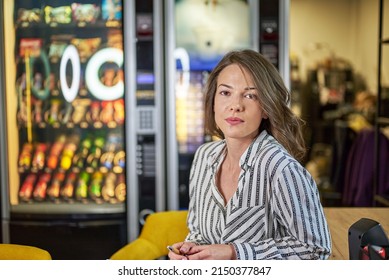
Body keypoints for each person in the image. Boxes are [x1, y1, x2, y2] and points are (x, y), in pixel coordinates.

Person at [168, 49, 332, 260]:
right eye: (225, 93)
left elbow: (315, 250)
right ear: (213, 102)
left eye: (250, 95)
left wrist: (234, 252)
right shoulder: (203, 157)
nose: (235, 106)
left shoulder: (281, 168)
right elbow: (199, 232)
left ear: (266, 108)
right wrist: (191, 251)